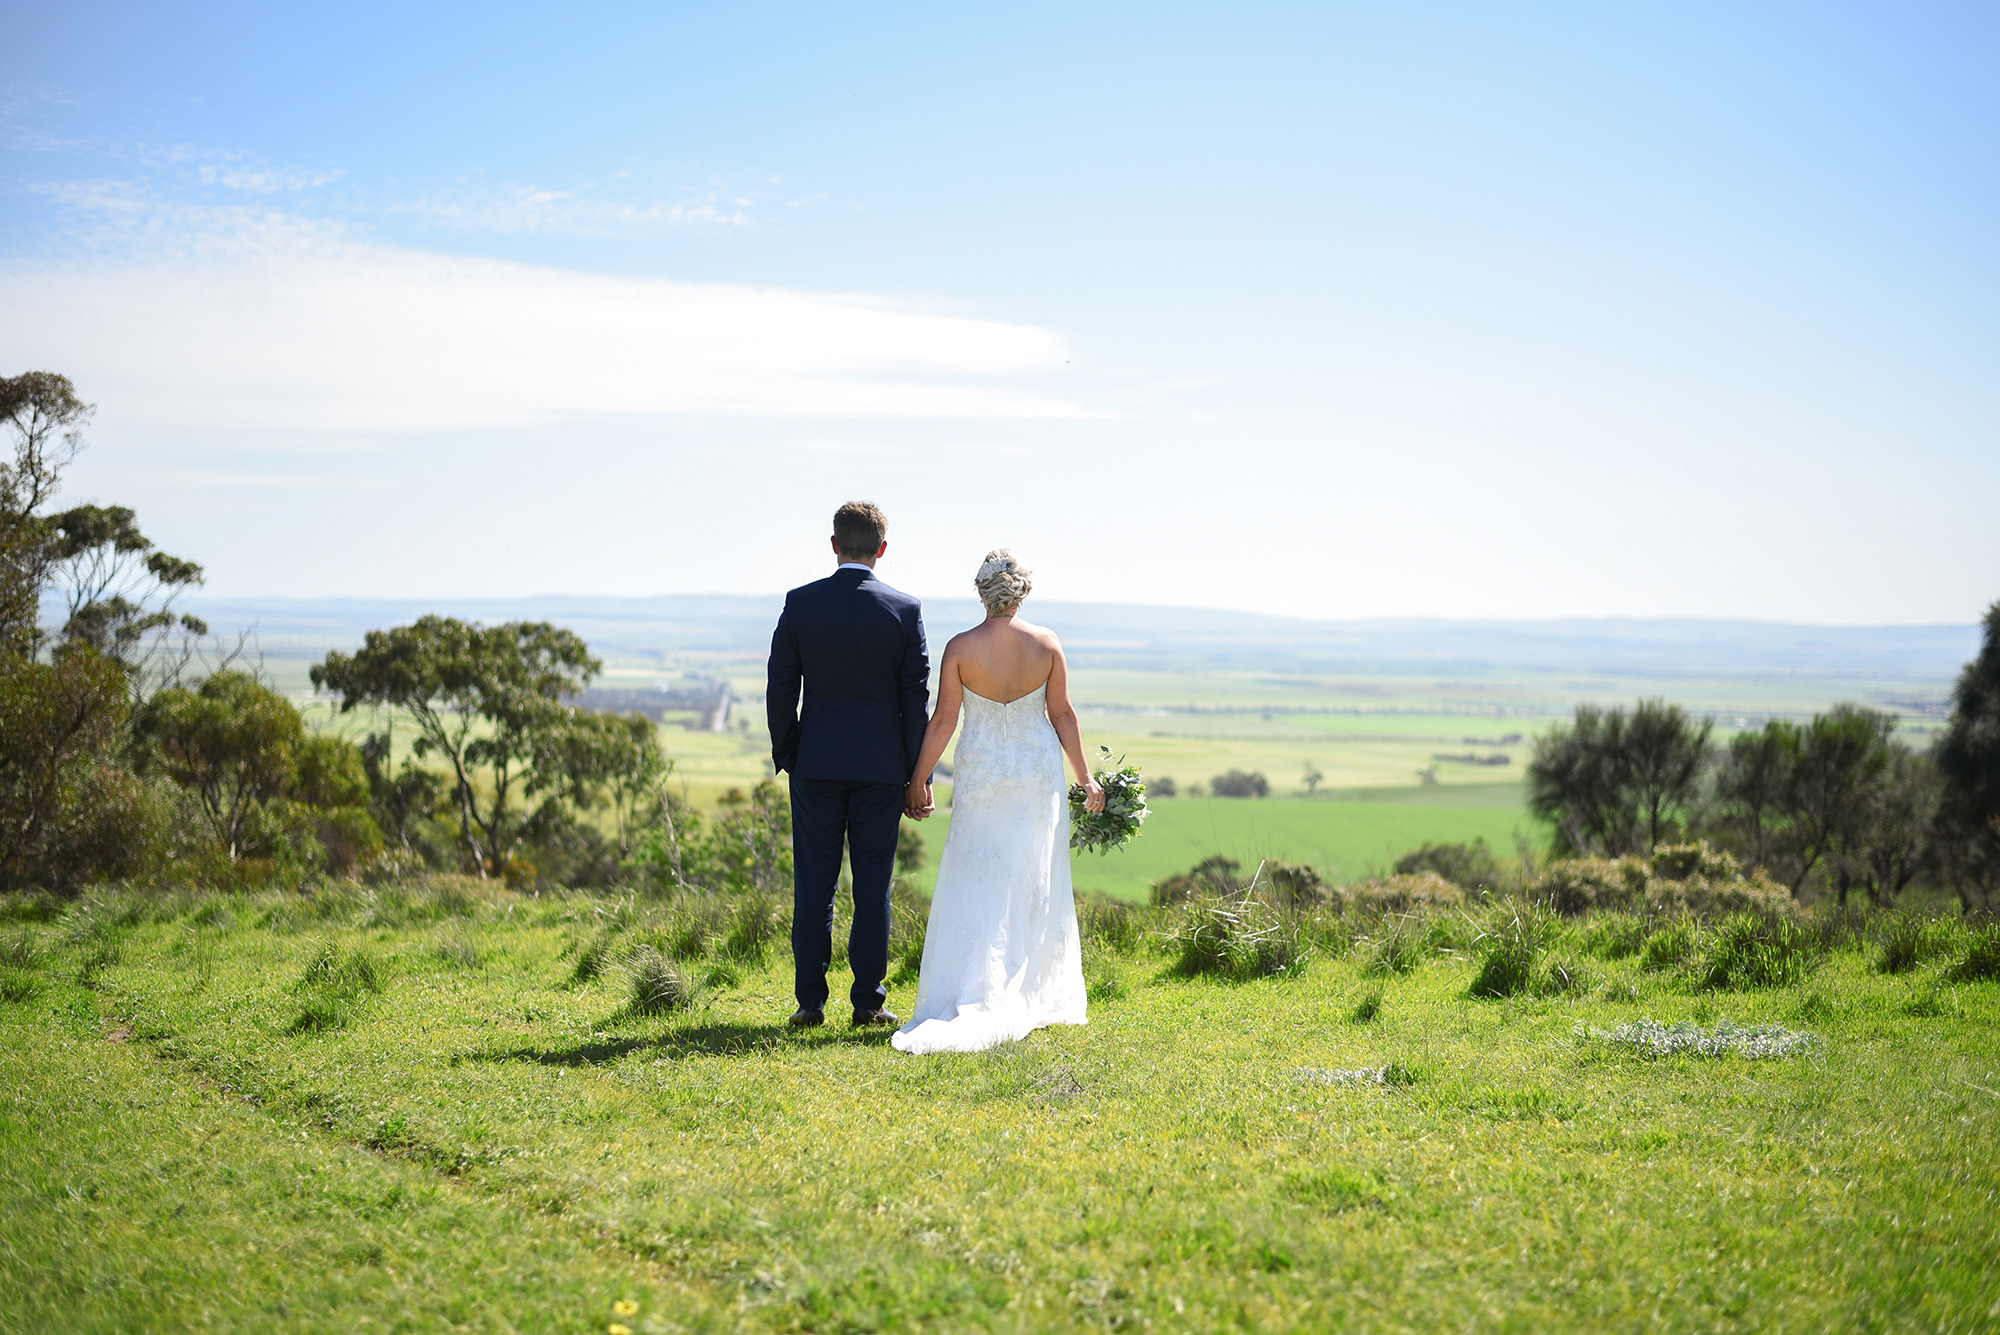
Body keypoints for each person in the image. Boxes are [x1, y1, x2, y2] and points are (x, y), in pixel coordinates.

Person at [891, 550, 1103, 1055]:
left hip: (982, 771)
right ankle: (1029, 990)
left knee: (976, 873)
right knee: (1033, 875)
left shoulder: (960, 647)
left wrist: (918, 780)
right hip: (1036, 775)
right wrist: (1086, 778)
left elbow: (942, 721)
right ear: (1021, 592)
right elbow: (1063, 716)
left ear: (982, 593)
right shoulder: (1046, 644)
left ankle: (972, 987)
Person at [766, 502, 929, 1028]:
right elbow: (914, 699)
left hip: (814, 765)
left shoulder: (801, 603)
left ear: (834, 545)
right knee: (872, 887)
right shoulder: (904, 610)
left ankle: (810, 1003)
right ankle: (868, 1003)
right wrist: (914, 773)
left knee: (813, 885)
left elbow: (780, 687)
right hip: (882, 771)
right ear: (882, 549)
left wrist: (790, 753)